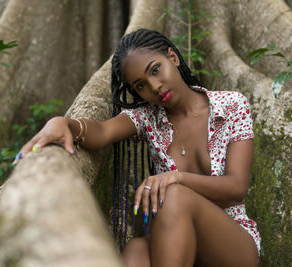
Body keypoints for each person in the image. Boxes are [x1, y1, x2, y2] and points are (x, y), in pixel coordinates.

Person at [16, 29, 261, 267]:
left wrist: (177, 177)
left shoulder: (230, 106)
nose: (154, 86)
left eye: (156, 70)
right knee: (135, 251)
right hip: (177, 241)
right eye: (141, 85)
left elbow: (236, 187)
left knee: (173, 194)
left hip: (233, 243)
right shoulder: (148, 118)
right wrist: (62, 123)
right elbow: (102, 132)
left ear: (173, 58)